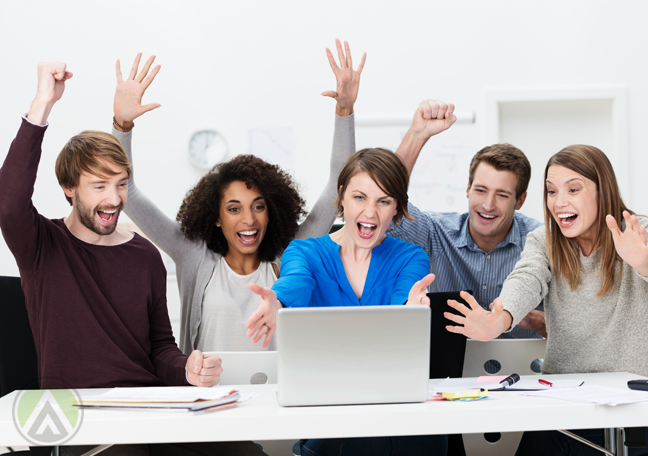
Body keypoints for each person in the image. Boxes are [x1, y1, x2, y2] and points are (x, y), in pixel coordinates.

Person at [0, 62, 265, 455]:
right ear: (69, 188)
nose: (114, 199)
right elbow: (8, 203)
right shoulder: (43, 245)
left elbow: (160, 349)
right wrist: (43, 104)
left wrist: (186, 369)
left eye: (121, 184)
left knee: (244, 452)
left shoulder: (143, 255)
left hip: (151, 414)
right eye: (99, 185)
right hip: (83, 424)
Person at [111, 40, 364, 354]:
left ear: (271, 212)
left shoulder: (290, 257)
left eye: (258, 206)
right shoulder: (193, 257)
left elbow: (339, 183)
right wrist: (122, 124)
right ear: (216, 216)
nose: (249, 219)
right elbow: (127, 193)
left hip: (275, 399)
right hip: (208, 398)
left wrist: (345, 111)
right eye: (234, 208)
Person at [444, 144, 648, 456]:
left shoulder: (639, 233)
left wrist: (643, 264)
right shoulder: (545, 241)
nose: (559, 202)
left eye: (574, 189)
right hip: (564, 406)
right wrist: (498, 319)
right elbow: (527, 278)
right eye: (551, 191)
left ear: (602, 190)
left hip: (633, 408)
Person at [245, 148, 445, 456]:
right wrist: (279, 303)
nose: (370, 213)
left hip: (399, 418)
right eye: (359, 197)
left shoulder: (411, 257)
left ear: (397, 208)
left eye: (384, 201)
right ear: (341, 198)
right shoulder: (305, 252)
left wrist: (411, 314)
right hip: (330, 417)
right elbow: (295, 283)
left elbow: (404, 305)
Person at [389, 99, 546, 339]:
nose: (488, 205)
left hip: (525, 373)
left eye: (502, 195)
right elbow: (388, 212)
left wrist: (539, 321)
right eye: (481, 190)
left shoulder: (541, 240)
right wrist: (417, 135)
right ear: (468, 188)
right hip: (453, 373)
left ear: (520, 201)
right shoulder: (437, 232)